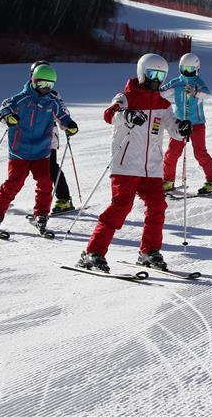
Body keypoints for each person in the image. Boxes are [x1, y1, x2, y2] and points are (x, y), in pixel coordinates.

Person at [77, 54, 192, 273]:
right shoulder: (126, 97)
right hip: (126, 165)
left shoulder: (162, 104)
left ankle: (149, 251)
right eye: (151, 74)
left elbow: (173, 128)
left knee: (158, 207)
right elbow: (109, 115)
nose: (155, 79)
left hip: (152, 168)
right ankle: (94, 252)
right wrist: (127, 116)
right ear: (141, 73)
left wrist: (182, 129)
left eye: (160, 75)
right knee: (121, 207)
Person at [0, 64, 77, 236]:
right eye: (42, 84)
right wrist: (8, 117)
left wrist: (69, 124)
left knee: (45, 183)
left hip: (42, 150)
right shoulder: (22, 98)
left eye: (49, 85)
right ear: (33, 81)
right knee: (14, 183)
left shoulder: (52, 101)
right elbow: (4, 108)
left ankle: (41, 215)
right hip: (19, 149)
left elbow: (63, 116)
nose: (45, 89)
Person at [161, 53, 212, 194]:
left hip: (197, 124)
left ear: (197, 69)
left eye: (191, 70)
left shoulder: (198, 83)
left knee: (200, 153)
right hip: (180, 124)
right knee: (172, 153)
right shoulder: (177, 82)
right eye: (184, 69)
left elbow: (207, 94)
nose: (187, 73)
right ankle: (168, 180)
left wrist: (195, 92)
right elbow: (161, 93)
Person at [27, 60, 76, 214]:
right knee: (20, 167)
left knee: (50, 168)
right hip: (27, 138)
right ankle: (8, 199)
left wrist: (68, 125)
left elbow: (63, 113)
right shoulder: (26, 94)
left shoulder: (53, 95)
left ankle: (64, 198)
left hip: (47, 138)